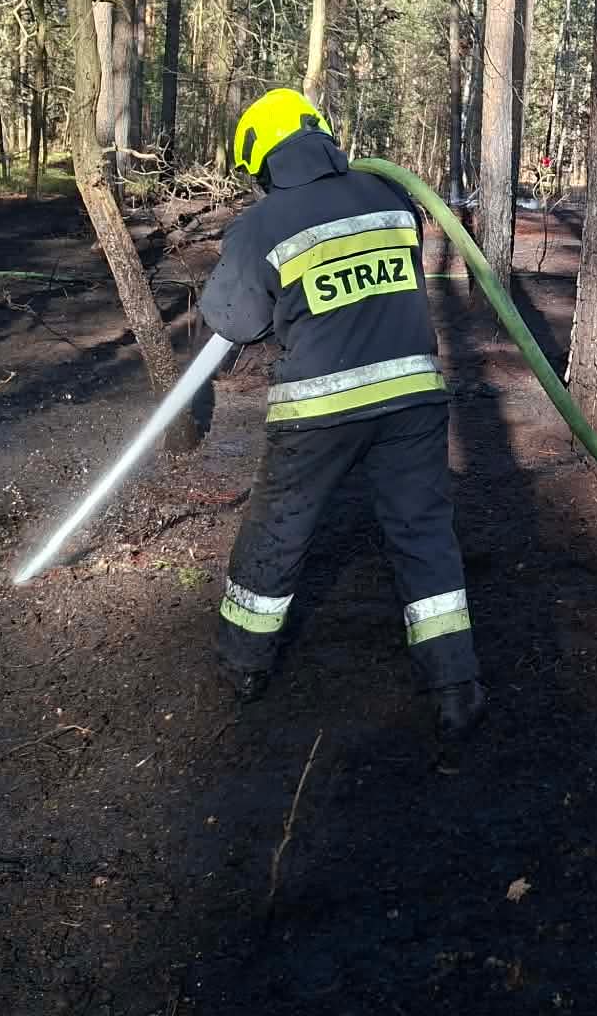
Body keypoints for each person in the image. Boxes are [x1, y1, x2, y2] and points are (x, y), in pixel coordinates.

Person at [199, 88, 485, 739]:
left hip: (318, 408)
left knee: (280, 528)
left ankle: (243, 662)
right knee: (422, 533)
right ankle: (454, 683)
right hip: (412, 399)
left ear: (262, 157)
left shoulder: (264, 223)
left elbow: (234, 321)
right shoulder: (391, 199)